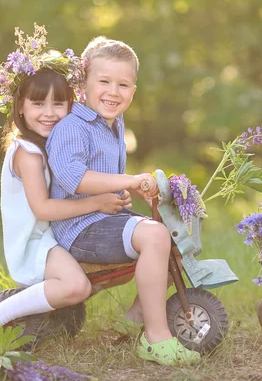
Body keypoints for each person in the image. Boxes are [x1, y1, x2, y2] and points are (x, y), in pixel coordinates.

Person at [0, 26, 129, 357]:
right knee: (76, 286)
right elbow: (43, 210)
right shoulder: (27, 154)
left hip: (56, 233)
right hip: (34, 241)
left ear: (70, 106)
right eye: (38, 104)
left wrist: (114, 198)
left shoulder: (51, 145)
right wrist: (97, 202)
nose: (49, 113)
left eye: (58, 104)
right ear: (20, 107)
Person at [46, 36, 202, 366]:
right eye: (103, 81)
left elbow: (107, 179)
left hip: (103, 220)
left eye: (123, 84)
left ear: (134, 91)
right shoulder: (72, 127)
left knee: (169, 237)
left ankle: (131, 321)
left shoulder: (114, 124)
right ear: (82, 84)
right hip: (78, 229)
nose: (113, 92)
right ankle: (156, 338)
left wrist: (126, 196)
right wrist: (130, 181)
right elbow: (75, 179)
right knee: (155, 236)